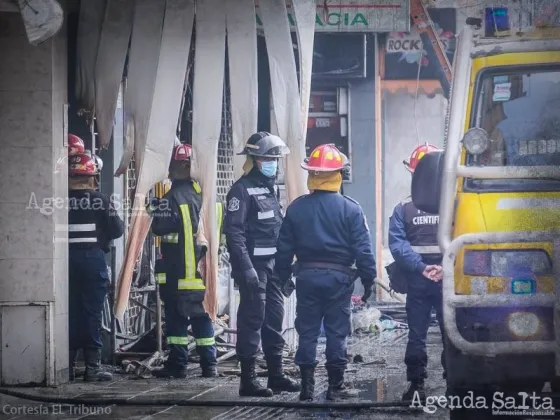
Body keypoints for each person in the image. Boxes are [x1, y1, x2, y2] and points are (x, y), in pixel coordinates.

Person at [275, 143, 376, 402]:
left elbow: (283, 249)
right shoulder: (351, 209)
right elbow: (363, 250)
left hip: (307, 278)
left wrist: (283, 277)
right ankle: (335, 387)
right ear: (338, 174)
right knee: (336, 332)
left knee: (307, 331)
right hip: (339, 280)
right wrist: (368, 280)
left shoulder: (296, 208)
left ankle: (306, 389)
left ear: (312, 175)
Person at [223, 132, 300, 397]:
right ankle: (249, 380)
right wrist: (246, 269)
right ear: (255, 160)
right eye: (268, 159)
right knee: (252, 320)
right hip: (254, 269)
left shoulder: (270, 188)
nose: (273, 164)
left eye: (275, 159)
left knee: (274, 321)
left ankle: (276, 376)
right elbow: (234, 234)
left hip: (274, 268)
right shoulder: (241, 191)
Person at [148, 143, 218, 378]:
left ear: (171, 168)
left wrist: (152, 208)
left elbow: (159, 228)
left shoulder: (170, 198)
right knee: (203, 316)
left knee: (176, 320)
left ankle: (178, 365)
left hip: (178, 274)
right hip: (204, 274)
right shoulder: (207, 196)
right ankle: (210, 365)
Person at [390, 143, 445, 402]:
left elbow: (398, 247)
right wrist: (444, 268)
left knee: (417, 334)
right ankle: (456, 385)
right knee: (455, 334)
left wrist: (422, 269)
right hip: (449, 280)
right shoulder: (456, 204)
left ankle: (416, 387)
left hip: (418, 280)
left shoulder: (403, 208)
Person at [68, 135, 124, 381]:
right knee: (91, 312)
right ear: (92, 177)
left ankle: (65, 366)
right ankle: (92, 368)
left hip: (64, 263)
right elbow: (118, 230)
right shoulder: (101, 201)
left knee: (68, 312)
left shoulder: (59, 201)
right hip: (92, 261)